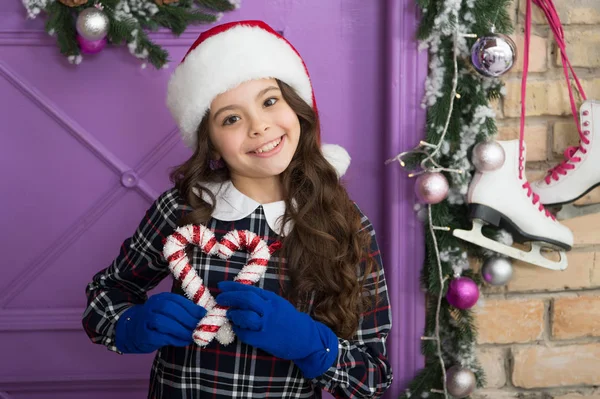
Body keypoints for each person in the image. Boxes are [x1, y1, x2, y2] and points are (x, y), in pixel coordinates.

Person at [82, 20, 392, 399]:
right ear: (210, 142)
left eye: (269, 101)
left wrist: (313, 345)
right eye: (231, 118)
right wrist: (133, 324)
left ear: (299, 107)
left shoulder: (346, 223)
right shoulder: (182, 209)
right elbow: (104, 298)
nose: (259, 126)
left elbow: (375, 378)